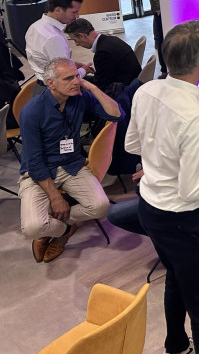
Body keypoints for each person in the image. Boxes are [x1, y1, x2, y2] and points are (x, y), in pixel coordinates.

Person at [127, 20, 199, 354]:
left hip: (150, 209)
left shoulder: (145, 91)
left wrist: (160, 160)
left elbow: (132, 145)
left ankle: (176, 345)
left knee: (176, 277)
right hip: (183, 221)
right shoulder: (197, 119)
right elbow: (193, 190)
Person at [19, 57, 122, 263]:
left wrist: (92, 87)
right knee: (32, 228)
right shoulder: (32, 112)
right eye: (68, 78)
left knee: (100, 206)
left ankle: (59, 225)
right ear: (51, 83)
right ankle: (62, 230)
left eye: (76, 76)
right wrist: (55, 198)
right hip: (39, 171)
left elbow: (116, 115)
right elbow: (34, 161)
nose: (76, 81)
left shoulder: (79, 97)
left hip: (71, 165)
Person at [25, 0, 91, 94]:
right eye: (74, 12)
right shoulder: (53, 37)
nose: (77, 16)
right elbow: (65, 76)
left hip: (42, 85)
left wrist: (72, 63)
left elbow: (48, 60)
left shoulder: (34, 26)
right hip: (56, 91)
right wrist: (84, 70)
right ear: (58, 10)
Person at [65, 18, 141, 91]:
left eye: (75, 40)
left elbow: (101, 86)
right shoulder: (112, 39)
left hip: (123, 90)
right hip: (132, 82)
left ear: (82, 36)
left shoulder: (102, 53)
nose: (76, 44)